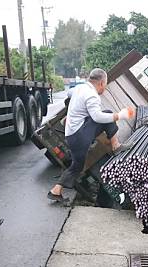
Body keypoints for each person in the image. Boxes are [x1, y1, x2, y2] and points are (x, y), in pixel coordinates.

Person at [47, 68, 135, 202]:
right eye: (105, 85)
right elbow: (97, 117)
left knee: (77, 166)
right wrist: (120, 116)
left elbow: (70, 93)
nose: (104, 88)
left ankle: (56, 191)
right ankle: (115, 145)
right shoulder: (92, 95)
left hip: (73, 134)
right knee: (106, 114)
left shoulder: (79, 88)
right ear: (101, 83)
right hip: (78, 136)